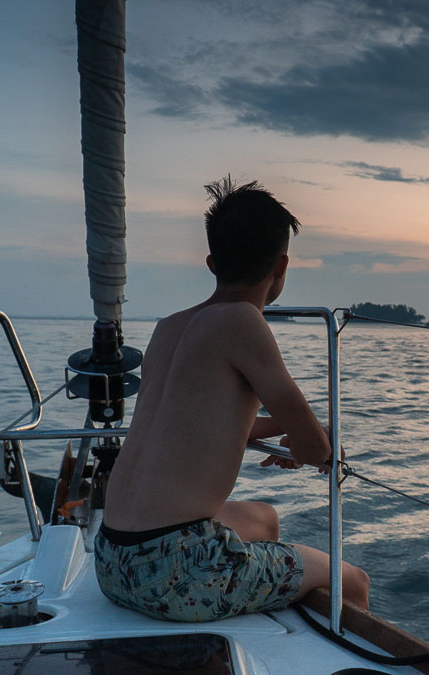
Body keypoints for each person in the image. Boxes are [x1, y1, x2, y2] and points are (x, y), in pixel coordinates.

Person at [96, 176, 370, 622]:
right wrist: (313, 440)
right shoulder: (244, 321)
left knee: (264, 520)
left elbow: (199, 427)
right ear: (280, 267)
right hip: (179, 575)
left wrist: (284, 431)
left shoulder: (169, 328)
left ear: (211, 262)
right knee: (354, 580)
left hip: (112, 560)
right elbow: (316, 451)